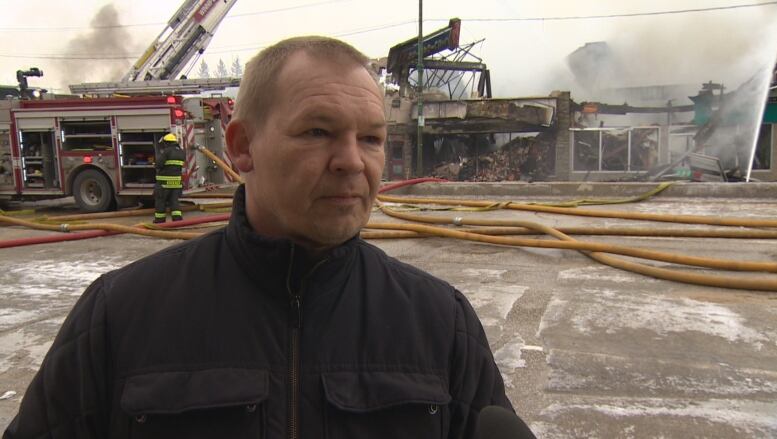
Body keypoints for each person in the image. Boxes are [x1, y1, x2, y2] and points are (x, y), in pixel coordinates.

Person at [4, 36, 512, 439]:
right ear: (243, 148)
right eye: (318, 132)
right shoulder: (119, 316)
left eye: (371, 138)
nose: (353, 161)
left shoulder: (441, 322)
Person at [153, 133, 185, 223]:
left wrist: (155, 165)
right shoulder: (181, 152)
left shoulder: (166, 151)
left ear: (167, 143)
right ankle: (177, 220)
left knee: (160, 201)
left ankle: (160, 220)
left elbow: (159, 164)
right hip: (176, 183)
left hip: (164, 183)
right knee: (174, 201)